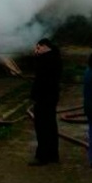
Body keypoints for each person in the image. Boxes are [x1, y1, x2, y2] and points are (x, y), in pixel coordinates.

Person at [29, 38, 62, 166]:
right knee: (51, 126)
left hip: (44, 97)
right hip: (51, 96)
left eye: (38, 48)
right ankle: (53, 155)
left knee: (42, 127)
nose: (37, 50)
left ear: (44, 46)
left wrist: (36, 56)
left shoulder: (45, 59)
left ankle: (42, 156)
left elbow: (40, 75)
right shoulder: (56, 58)